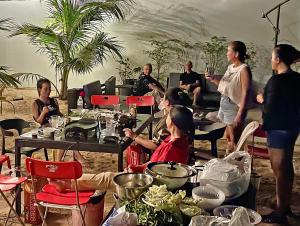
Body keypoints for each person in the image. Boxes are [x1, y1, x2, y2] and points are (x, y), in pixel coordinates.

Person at [50, 105, 194, 192]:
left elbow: (156, 176)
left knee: (106, 177)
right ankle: (68, 182)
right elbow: (154, 166)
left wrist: (135, 171)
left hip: (147, 185)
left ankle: (67, 183)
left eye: (168, 115)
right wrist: (136, 167)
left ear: (172, 124)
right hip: (148, 176)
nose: (166, 116)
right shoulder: (178, 140)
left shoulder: (172, 148)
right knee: (106, 176)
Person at [256, 44, 300, 224]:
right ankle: (285, 204)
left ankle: (281, 212)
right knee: (286, 167)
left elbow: (269, 108)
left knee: (279, 168)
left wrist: (261, 99)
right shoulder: (297, 78)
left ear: (278, 59)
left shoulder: (276, 81)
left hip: (278, 129)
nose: (271, 60)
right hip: (292, 128)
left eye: (272, 57)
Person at [205, 41, 252, 154]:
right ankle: (230, 156)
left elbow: (246, 93)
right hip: (225, 102)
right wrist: (212, 79)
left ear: (236, 54)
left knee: (234, 139)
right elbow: (224, 86)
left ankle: (235, 160)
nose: (226, 53)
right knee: (228, 137)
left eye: (228, 51)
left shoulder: (244, 70)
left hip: (234, 106)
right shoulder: (230, 67)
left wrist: (240, 114)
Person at [124, 87, 192, 157]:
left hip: (164, 157)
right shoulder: (183, 114)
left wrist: (134, 136)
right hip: (179, 153)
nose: (161, 99)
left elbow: (156, 145)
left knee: (132, 143)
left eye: (163, 98)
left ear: (167, 102)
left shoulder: (170, 120)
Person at [32, 78, 87, 164]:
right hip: (46, 130)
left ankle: (59, 161)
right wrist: (43, 113)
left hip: (57, 127)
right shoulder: (36, 104)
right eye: (45, 89)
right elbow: (38, 121)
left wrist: (66, 117)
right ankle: (76, 156)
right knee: (65, 134)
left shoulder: (54, 101)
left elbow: (58, 114)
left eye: (49, 89)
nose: (48, 91)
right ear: (39, 89)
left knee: (69, 132)